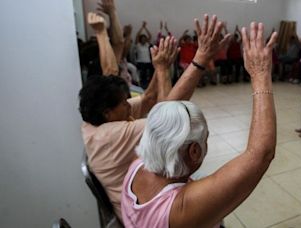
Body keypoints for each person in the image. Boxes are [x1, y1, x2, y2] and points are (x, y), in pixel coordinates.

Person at [120, 20, 277, 228]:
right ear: (194, 151)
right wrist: (260, 74)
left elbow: (166, 111)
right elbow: (261, 154)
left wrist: (201, 57)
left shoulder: (138, 163)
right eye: (206, 139)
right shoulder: (181, 208)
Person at [80, 14, 231, 220]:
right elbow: (168, 115)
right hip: (138, 212)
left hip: (135, 191)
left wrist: (160, 66)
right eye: (124, 103)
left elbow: (150, 98)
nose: (128, 105)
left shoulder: (93, 121)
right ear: (108, 112)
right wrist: (200, 58)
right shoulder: (112, 134)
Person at [135, 21, 154, 89]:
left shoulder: (147, 45)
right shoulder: (138, 45)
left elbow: (150, 36)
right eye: (142, 39)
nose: (144, 40)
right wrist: (142, 27)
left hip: (148, 62)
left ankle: (150, 84)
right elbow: (137, 35)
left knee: (152, 70)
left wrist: (145, 28)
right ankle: (142, 85)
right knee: (142, 74)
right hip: (140, 62)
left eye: (144, 39)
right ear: (140, 40)